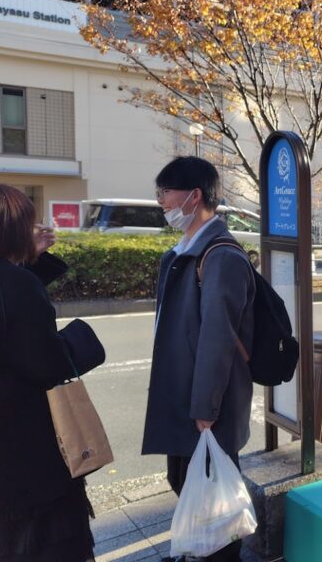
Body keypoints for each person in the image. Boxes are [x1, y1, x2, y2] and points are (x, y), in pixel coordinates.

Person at [0, 184, 106, 562]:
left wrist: (27, 259)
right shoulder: (14, 285)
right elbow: (49, 364)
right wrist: (84, 340)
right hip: (28, 470)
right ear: (8, 228)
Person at [141, 157, 255, 562]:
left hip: (206, 406)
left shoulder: (220, 256)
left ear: (194, 196)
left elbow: (217, 340)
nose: (161, 202)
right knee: (187, 483)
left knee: (215, 504)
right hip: (186, 397)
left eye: (165, 192)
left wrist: (205, 408)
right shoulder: (185, 251)